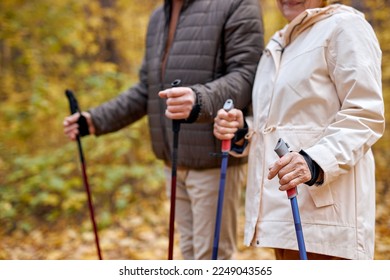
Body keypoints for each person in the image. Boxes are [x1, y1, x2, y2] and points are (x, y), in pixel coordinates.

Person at [63, 0, 264, 260]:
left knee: (212, 260)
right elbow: (149, 88)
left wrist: (199, 98)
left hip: (215, 160)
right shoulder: (159, 15)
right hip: (173, 162)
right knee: (189, 253)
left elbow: (247, 74)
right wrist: (95, 119)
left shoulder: (237, 4)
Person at [213, 0, 385, 260]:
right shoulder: (279, 43)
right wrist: (243, 129)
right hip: (283, 214)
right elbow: (280, 124)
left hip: (328, 220)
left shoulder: (345, 27)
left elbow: (365, 115)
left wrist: (315, 161)